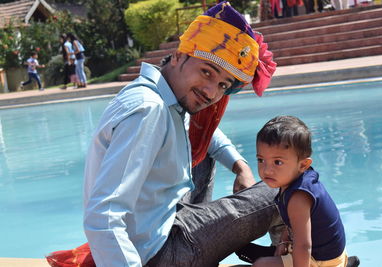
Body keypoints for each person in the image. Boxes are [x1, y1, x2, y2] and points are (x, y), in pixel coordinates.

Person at [46, 2, 279, 267]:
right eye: (207, 72)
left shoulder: (163, 98)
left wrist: (241, 167)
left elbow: (210, 137)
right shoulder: (149, 110)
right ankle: (288, 255)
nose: (212, 92)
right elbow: (104, 215)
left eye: (223, 85)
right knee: (283, 185)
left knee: (203, 153)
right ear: (179, 55)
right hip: (160, 253)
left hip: (161, 225)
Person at [252, 115, 348, 267]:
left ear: (303, 165)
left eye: (277, 162)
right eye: (261, 160)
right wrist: (284, 240)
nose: (267, 170)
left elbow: (304, 246)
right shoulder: (297, 180)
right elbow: (292, 224)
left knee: (260, 264)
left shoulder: (298, 197)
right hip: (332, 253)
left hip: (322, 260)